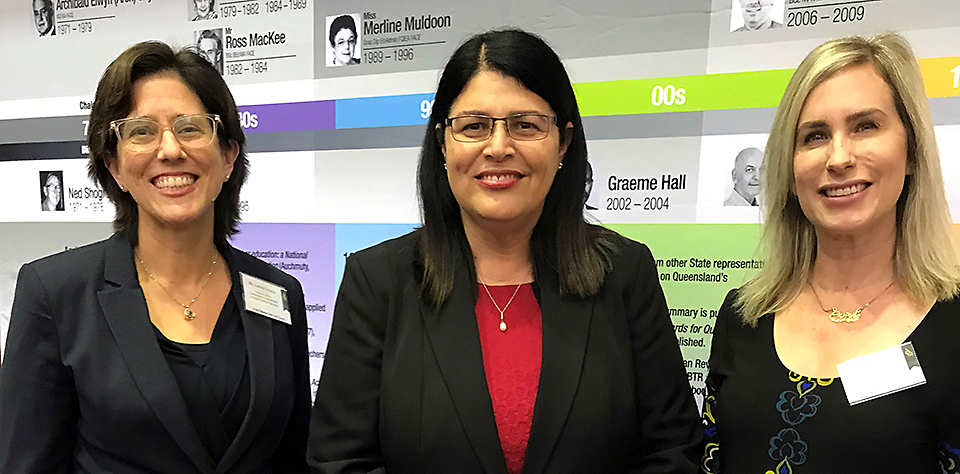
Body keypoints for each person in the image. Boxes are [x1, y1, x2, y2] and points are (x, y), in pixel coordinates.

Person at [309, 28, 701, 474]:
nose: (498, 147)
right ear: (442, 144)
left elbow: (672, 453)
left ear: (563, 144)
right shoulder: (376, 280)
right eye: (473, 126)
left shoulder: (625, 273)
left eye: (525, 125)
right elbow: (340, 461)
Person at [0, 41, 310, 473]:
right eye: (141, 131)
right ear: (114, 164)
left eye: (190, 127)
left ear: (228, 155)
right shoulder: (54, 294)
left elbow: (292, 457)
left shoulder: (280, 293)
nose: (169, 150)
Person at [701, 33, 960, 473]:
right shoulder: (743, 317)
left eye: (865, 126)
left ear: (912, 150)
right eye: (815, 135)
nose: (838, 157)